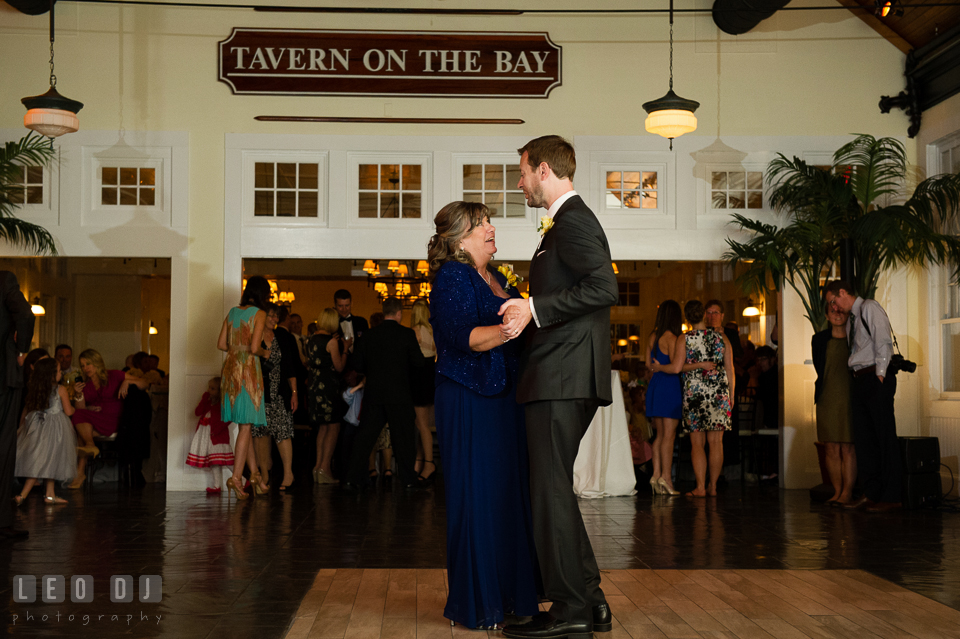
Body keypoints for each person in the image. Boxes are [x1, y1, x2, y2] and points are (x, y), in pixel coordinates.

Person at [498, 136, 618, 639]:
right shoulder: (563, 224)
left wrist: (534, 309)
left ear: (543, 169)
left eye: (522, 172)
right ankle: (589, 602)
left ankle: (569, 611)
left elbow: (603, 287)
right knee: (555, 493)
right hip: (562, 373)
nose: (520, 181)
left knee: (549, 492)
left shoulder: (573, 219)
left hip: (562, 374)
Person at [429, 200, 539, 630]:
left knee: (507, 496)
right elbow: (461, 337)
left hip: (503, 399)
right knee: (477, 498)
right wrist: (509, 329)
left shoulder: (493, 276)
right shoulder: (453, 276)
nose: (492, 228)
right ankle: (478, 603)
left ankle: (511, 596)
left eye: (489, 221)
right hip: (469, 398)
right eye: (482, 223)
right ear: (458, 238)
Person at [824, 279, 902, 512]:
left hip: (874, 378)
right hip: (860, 379)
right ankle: (872, 493)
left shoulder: (869, 308)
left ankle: (891, 496)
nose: (834, 307)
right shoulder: (852, 319)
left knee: (884, 436)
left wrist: (879, 376)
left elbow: (883, 343)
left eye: (833, 301)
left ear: (842, 291)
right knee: (865, 440)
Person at [650, 300, 732, 497]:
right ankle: (713, 486)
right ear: (704, 314)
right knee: (716, 443)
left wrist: (695, 365)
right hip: (719, 393)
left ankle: (701, 487)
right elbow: (730, 369)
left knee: (697, 444)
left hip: (694, 393)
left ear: (687, 318)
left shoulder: (685, 338)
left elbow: (678, 367)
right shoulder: (722, 337)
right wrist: (732, 394)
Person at [340, 297, 422, 492]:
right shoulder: (407, 334)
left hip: (374, 394)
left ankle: (352, 478)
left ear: (384, 312)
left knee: (365, 437)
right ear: (399, 313)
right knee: (403, 438)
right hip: (399, 394)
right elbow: (418, 362)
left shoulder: (369, 335)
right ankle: (408, 479)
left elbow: (357, 365)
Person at [217, 275, 271, 501]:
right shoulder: (259, 314)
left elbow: (220, 344)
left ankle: (255, 475)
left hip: (230, 371)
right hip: (248, 371)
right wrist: (265, 353)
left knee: (243, 426)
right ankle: (237, 478)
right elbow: (254, 346)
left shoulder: (232, 312)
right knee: (247, 426)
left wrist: (236, 349)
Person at [69, 348, 151, 488]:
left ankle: (80, 470)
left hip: (115, 419)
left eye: (88, 364)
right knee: (77, 416)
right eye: (82, 365)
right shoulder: (85, 384)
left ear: (96, 363)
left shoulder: (113, 375)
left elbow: (144, 383)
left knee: (79, 433)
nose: (85, 368)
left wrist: (128, 382)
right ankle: (88, 448)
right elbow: (80, 409)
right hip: (96, 419)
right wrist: (78, 394)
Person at [14, 358, 76, 506]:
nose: (61, 373)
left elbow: (28, 409)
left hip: (37, 427)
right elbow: (68, 411)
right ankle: (22, 495)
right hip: (55, 430)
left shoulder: (35, 390)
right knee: (46, 461)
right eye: (60, 371)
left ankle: (50, 495)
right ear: (52, 374)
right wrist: (75, 407)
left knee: (47, 461)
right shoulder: (60, 389)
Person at [812, 305, 857, 506]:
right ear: (826, 315)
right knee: (830, 447)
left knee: (848, 447)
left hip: (851, 398)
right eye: (833, 311)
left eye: (842, 311)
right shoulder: (819, 339)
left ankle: (847, 493)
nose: (837, 314)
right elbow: (818, 366)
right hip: (826, 398)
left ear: (848, 314)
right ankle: (837, 492)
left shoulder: (856, 338)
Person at [0, 271, 33, 540]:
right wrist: (21, 352)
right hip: (3, 376)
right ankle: (1, 523)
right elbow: (25, 314)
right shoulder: (4, 280)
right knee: (4, 446)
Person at [254, 303, 298, 492]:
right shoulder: (254, 336)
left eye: (276, 316)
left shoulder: (283, 336)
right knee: (260, 433)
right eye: (270, 316)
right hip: (258, 393)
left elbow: (290, 367)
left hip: (279, 393)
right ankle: (264, 472)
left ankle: (288, 473)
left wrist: (294, 393)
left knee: (282, 432)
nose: (274, 319)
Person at [645, 300, 683, 496]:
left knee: (659, 435)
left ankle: (656, 474)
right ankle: (666, 478)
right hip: (669, 386)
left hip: (655, 386)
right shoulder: (673, 338)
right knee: (669, 436)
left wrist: (657, 368)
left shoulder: (653, 336)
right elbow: (676, 367)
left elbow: (647, 364)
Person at [306, 308, 346, 485]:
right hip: (329, 388)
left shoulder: (310, 339)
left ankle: (317, 466)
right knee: (334, 426)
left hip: (314, 387)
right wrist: (346, 348)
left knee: (322, 428)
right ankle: (325, 468)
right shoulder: (331, 342)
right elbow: (338, 367)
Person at [186, 377, 235, 494]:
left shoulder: (223, 403)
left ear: (220, 391)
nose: (209, 390)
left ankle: (242, 479)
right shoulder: (207, 400)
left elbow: (228, 418)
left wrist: (217, 429)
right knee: (214, 461)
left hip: (218, 436)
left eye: (213, 389)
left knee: (227, 461)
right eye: (209, 387)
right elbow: (197, 412)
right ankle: (216, 486)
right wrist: (204, 399)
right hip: (206, 435)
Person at [410, 298, 437, 484]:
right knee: (423, 424)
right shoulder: (433, 331)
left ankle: (428, 464)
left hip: (418, 379)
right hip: (431, 377)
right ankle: (419, 462)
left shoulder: (415, 332)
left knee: (422, 426)